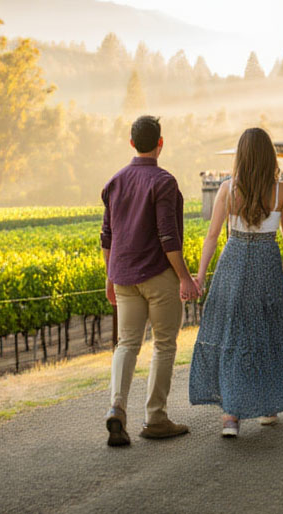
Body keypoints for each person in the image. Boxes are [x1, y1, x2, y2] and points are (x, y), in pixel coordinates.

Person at [190, 127, 283, 438]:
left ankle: (231, 416)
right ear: (270, 156)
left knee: (232, 335)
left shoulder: (229, 189)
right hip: (267, 265)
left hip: (234, 266)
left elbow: (212, 236)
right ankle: (268, 409)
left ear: (241, 156)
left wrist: (200, 276)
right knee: (268, 332)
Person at [101, 115, 200, 447]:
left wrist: (109, 278)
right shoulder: (164, 182)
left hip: (124, 277)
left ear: (131, 143)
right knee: (164, 345)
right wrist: (185, 278)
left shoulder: (114, 182)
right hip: (158, 276)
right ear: (161, 143)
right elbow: (168, 237)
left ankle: (117, 406)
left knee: (127, 344)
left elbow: (107, 237)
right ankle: (155, 417)